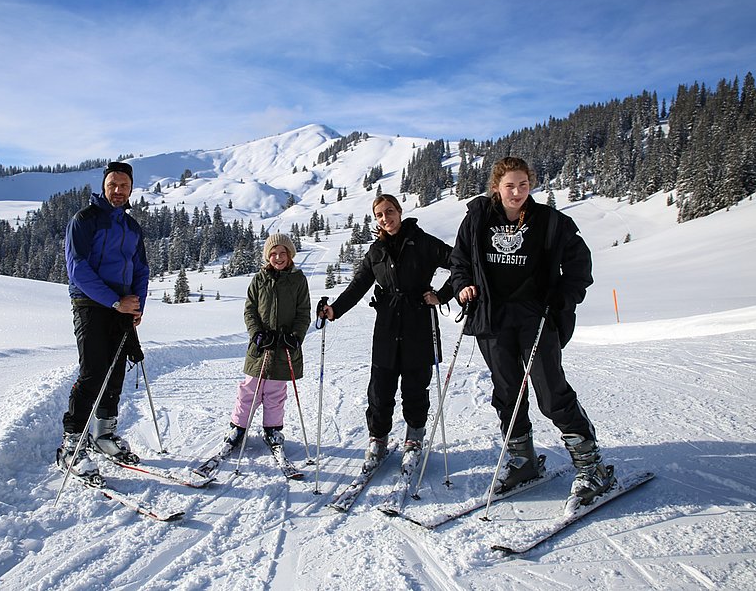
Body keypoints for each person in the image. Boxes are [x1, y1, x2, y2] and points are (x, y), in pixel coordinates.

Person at [448, 155, 613, 504]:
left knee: (551, 392)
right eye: (510, 185)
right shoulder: (477, 218)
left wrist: (563, 298)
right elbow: (459, 260)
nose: (518, 191)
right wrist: (463, 284)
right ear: (496, 186)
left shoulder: (550, 222)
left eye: (524, 184)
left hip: (535, 318)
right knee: (507, 392)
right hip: (491, 319)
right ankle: (522, 461)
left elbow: (580, 266)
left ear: (531, 184)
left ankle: (591, 465)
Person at [317, 194, 452, 465]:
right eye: (379, 215)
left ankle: (414, 439)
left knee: (415, 385)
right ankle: (378, 438)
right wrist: (335, 309)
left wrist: (443, 295)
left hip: (418, 322)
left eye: (389, 211)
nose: (385, 218)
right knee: (380, 387)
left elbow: (461, 263)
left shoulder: (423, 242)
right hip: (387, 325)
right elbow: (358, 285)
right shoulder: (376, 252)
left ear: (400, 212)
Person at [57, 161, 150, 484]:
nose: (118, 190)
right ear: (104, 186)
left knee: (115, 372)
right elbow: (78, 268)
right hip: (90, 303)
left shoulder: (131, 227)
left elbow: (140, 269)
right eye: (113, 184)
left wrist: (137, 305)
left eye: (124, 185)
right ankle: (71, 445)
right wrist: (114, 300)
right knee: (94, 371)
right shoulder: (85, 220)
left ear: (131, 189)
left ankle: (103, 435)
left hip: (122, 307)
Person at [221, 233, 311, 453]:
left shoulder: (298, 280)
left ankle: (272, 429)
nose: (278, 257)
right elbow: (250, 309)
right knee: (249, 389)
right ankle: (238, 427)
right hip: (261, 345)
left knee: (275, 391)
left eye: (282, 253)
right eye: (273, 253)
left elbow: (303, 312)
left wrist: (296, 336)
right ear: (267, 256)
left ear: (290, 255)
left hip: (284, 347)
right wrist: (257, 334)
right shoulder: (259, 279)